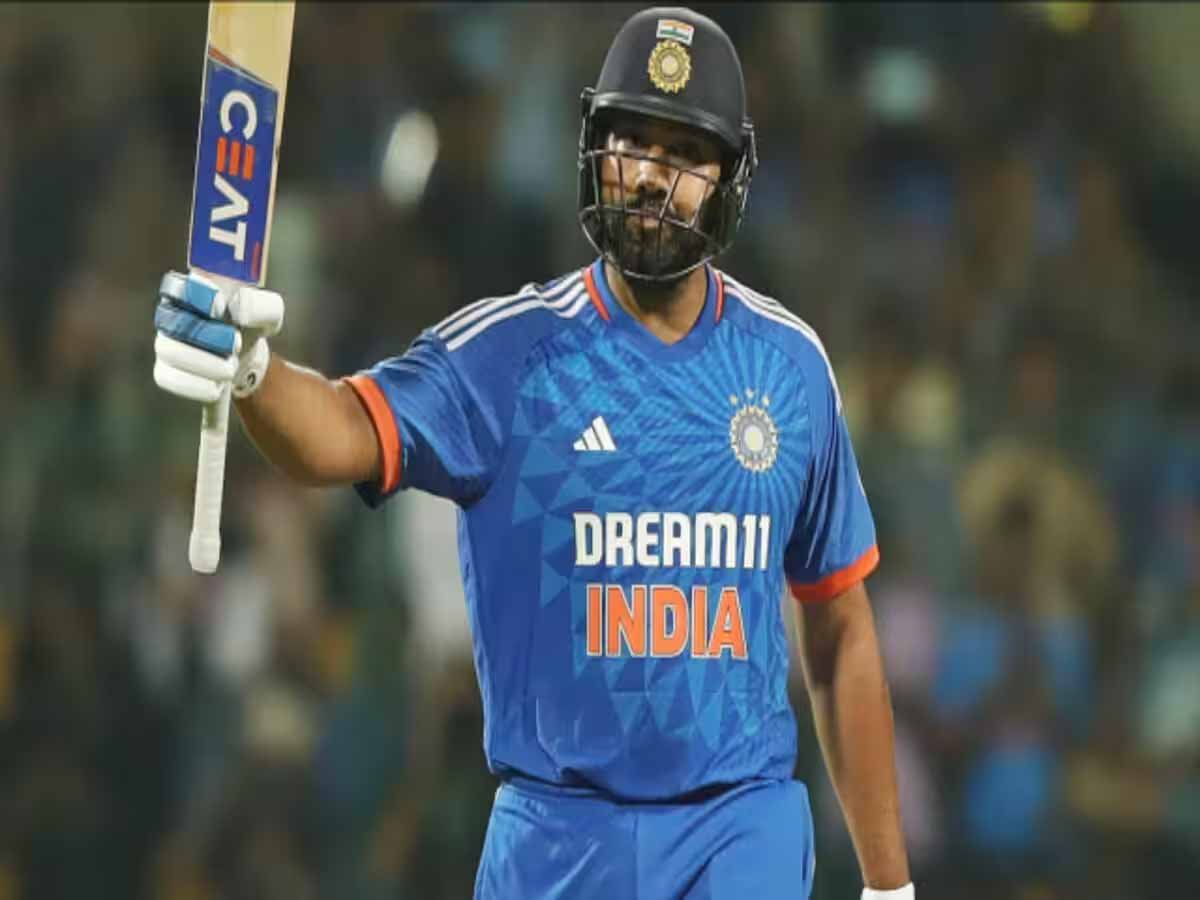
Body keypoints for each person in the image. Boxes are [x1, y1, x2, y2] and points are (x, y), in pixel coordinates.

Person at [152, 7, 912, 899]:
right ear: (594, 150)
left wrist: (889, 887)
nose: (651, 178)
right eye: (633, 143)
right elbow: (340, 432)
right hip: (556, 835)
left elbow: (840, 629)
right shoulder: (507, 354)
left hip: (738, 828)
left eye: (684, 153)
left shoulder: (788, 367)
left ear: (729, 178)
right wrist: (252, 370)